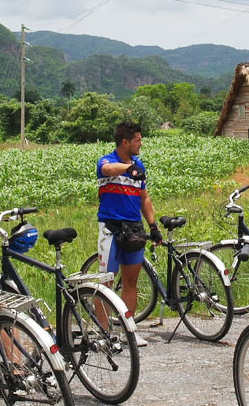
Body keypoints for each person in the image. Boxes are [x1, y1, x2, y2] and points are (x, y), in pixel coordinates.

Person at [95, 121, 161, 347]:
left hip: (134, 228)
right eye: (137, 140)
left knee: (131, 282)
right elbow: (107, 170)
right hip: (111, 228)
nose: (140, 144)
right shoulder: (107, 160)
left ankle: (128, 331)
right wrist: (127, 168)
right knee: (105, 283)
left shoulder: (139, 165)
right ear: (125, 142)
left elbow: (145, 198)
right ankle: (104, 332)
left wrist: (153, 226)